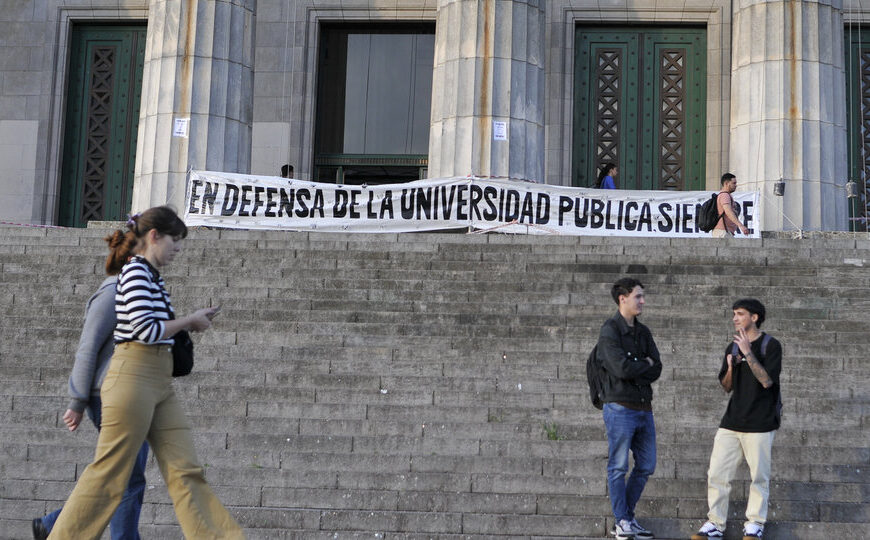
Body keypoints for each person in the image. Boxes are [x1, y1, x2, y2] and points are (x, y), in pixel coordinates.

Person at [48, 206, 244, 540]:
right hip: (132, 377)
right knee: (110, 475)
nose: (178, 248)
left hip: (157, 380)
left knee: (186, 469)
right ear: (154, 236)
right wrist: (190, 320)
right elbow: (145, 329)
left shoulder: (152, 277)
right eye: (174, 240)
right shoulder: (135, 272)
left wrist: (191, 321)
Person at [32, 238, 150, 540]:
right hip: (111, 397)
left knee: (117, 476)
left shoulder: (133, 294)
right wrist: (77, 399)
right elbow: (87, 348)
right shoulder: (112, 293)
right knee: (126, 479)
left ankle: (53, 524)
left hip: (132, 395)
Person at [692, 299, 782, 540]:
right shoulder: (731, 348)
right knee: (717, 473)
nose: (735, 318)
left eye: (740, 314)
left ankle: (755, 523)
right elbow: (726, 386)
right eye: (734, 314)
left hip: (761, 422)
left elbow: (767, 381)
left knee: (759, 476)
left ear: (754, 317)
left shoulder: (770, 345)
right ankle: (715, 523)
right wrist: (732, 366)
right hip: (732, 421)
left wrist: (748, 353)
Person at [598, 278, 662, 540]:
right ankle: (622, 520)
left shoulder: (643, 332)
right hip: (620, 407)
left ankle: (626, 517)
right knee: (618, 466)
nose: (642, 301)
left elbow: (657, 366)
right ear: (622, 298)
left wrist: (638, 365)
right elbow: (619, 368)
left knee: (646, 465)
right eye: (638, 296)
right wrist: (641, 364)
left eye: (642, 296)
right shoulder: (610, 330)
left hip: (644, 408)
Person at [712, 173, 749, 238]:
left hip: (725, 231)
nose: (736, 185)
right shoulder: (724, 195)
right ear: (726, 183)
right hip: (723, 231)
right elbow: (728, 212)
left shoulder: (726, 195)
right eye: (733, 183)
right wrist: (741, 226)